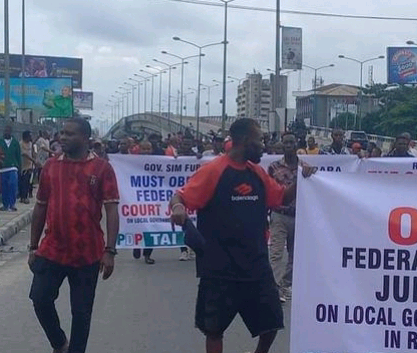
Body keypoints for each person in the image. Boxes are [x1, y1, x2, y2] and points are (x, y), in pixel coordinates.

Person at [169, 118, 317, 353]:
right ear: (246, 141)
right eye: (260, 140)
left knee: (272, 324)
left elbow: (282, 197)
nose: (264, 145)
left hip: (255, 265)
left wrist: (302, 178)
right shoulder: (213, 170)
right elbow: (180, 197)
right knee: (214, 330)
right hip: (219, 267)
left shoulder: (257, 173)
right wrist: (177, 207)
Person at [28, 117, 120, 353]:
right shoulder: (51, 166)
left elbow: (111, 208)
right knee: (40, 298)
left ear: (86, 138)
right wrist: (32, 247)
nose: (63, 138)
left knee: (81, 313)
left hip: (87, 253)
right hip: (52, 249)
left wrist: (109, 251)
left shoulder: (102, 169)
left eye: (70, 134)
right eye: (62, 133)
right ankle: (59, 344)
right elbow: (40, 206)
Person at [268, 132, 309, 303]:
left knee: (295, 254)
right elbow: (268, 190)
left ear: (297, 143)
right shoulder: (274, 167)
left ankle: (285, 284)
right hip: (279, 214)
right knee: (276, 252)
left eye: (292, 142)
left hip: (298, 215)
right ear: (282, 145)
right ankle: (274, 287)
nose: (289, 145)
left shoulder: (305, 167)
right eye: (286, 143)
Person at [132, 141, 156, 264]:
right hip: (137, 198)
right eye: (144, 148)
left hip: (152, 198)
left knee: (151, 226)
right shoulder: (132, 161)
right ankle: (136, 245)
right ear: (139, 149)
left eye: (149, 148)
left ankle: (147, 254)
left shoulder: (158, 160)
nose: (147, 151)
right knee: (138, 224)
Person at [0, 125, 21, 211]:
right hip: (2, 168)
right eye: (5, 131)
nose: (7, 132)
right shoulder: (0, 142)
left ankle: (12, 204)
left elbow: (18, 156)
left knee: (12, 186)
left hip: (13, 168)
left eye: (8, 131)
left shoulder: (15, 143)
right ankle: (5, 205)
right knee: (4, 187)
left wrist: (19, 167)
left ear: (11, 132)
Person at [19, 131, 38, 204]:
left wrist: (35, 160)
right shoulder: (21, 144)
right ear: (25, 137)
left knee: (28, 182)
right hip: (23, 167)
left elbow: (33, 153)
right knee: (23, 182)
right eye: (29, 136)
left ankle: (26, 196)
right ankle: (23, 197)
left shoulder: (31, 144)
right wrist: (33, 160)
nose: (30, 137)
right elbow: (24, 154)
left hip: (30, 166)